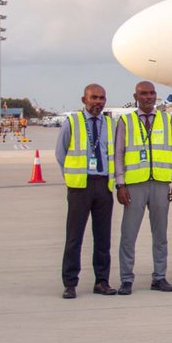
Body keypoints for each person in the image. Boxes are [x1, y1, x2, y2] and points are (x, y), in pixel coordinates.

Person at [114, 80, 172, 294]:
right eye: (144, 93)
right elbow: (118, 154)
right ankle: (126, 279)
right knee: (128, 234)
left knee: (160, 235)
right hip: (135, 185)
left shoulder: (166, 119)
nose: (149, 97)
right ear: (136, 96)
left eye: (152, 93)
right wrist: (120, 183)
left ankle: (159, 277)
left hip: (160, 184)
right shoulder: (126, 121)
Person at [56, 83, 117, 299]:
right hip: (80, 187)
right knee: (74, 237)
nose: (98, 102)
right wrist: (71, 178)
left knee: (103, 238)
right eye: (94, 98)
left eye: (101, 98)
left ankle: (102, 281)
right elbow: (61, 153)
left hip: (103, 185)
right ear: (84, 100)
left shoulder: (110, 124)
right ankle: (70, 283)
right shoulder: (72, 122)